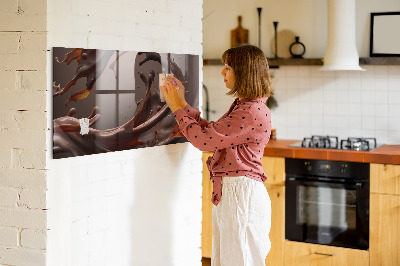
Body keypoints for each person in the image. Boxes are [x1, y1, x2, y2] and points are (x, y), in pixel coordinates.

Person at [161, 44, 273, 266]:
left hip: (241, 195)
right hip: (236, 193)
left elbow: (204, 141)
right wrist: (182, 104)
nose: (222, 72)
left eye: (228, 67)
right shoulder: (246, 106)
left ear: (244, 72)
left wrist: (176, 108)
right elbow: (212, 133)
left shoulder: (250, 111)